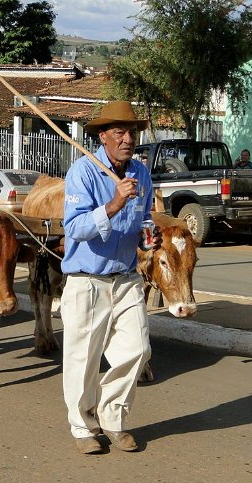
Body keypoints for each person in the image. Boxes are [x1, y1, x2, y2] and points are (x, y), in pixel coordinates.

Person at [60, 100, 162, 455]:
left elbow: (145, 216)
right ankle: (82, 426)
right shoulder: (84, 172)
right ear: (102, 136)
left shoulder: (142, 174)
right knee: (83, 359)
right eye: (119, 131)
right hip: (88, 280)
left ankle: (113, 418)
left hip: (127, 279)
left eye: (131, 131)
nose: (128, 138)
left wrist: (149, 232)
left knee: (138, 349)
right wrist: (114, 204)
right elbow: (73, 227)